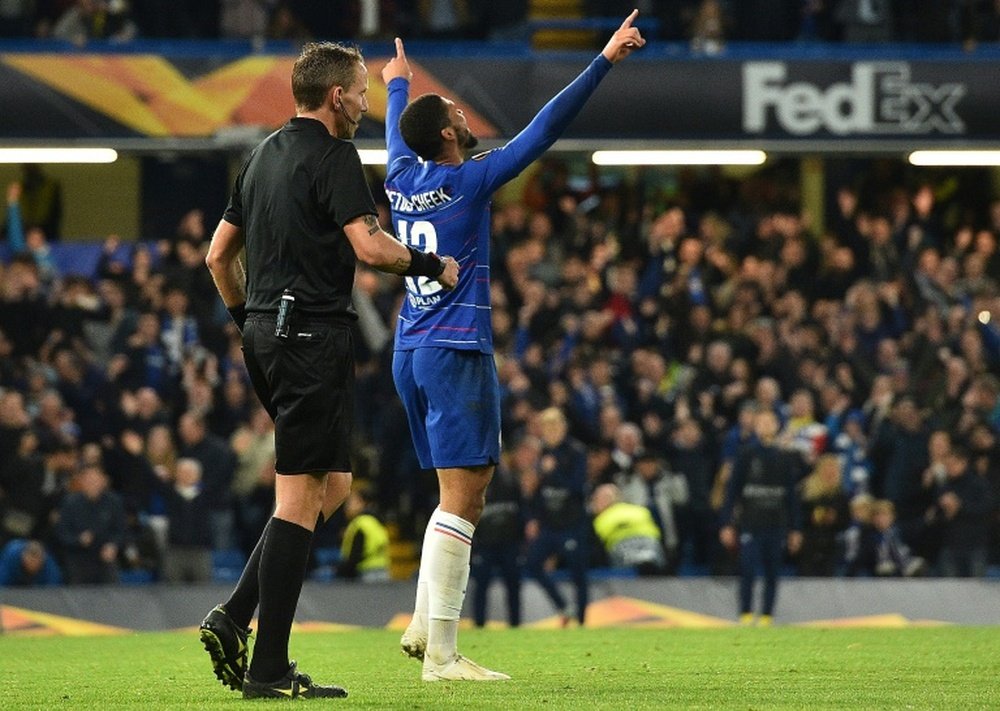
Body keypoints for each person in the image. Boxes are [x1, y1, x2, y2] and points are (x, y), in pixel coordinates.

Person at [381, 10, 644, 681]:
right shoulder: (470, 179)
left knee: (449, 492)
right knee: (468, 495)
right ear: (448, 133)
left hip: (409, 349)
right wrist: (605, 60)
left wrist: (397, 88)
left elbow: (394, 133)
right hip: (456, 349)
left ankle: (421, 627)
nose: (465, 113)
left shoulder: (399, 176)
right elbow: (546, 128)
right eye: (455, 110)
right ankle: (442, 654)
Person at [199, 40, 458, 700]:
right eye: (364, 91)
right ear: (336, 96)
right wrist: (433, 266)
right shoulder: (336, 155)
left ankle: (234, 617)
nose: (368, 103)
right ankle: (267, 668)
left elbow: (217, 257)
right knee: (300, 497)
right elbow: (370, 247)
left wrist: (249, 325)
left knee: (332, 486)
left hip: (268, 330)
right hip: (310, 335)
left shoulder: (259, 155)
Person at [718, 409, 803, 626]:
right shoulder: (745, 454)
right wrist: (726, 523)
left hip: (776, 524)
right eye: (761, 422)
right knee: (747, 568)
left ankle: (767, 615)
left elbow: (791, 497)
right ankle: (745, 613)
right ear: (755, 426)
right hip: (750, 523)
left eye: (770, 422)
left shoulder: (785, 457)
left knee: (773, 571)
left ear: (777, 426)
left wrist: (796, 528)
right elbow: (732, 491)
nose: (765, 426)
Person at [590, 483, 666, 574]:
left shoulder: (598, 520)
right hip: (650, 543)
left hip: (623, 546)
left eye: (597, 499)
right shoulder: (640, 509)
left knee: (627, 571)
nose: (594, 503)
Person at [337, 485, 390, 582]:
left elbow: (355, 555)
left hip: (365, 574)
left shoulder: (359, 524)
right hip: (382, 571)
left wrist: (340, 571)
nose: (347, 506)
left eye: (351, 502)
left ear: (362, 503)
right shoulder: (377, 521)